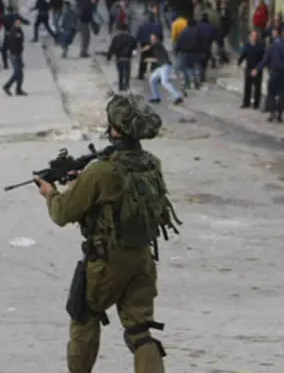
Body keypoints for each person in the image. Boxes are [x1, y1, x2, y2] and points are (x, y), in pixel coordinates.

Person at [33, 94, 180, 373]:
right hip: (142, 258)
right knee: (139, 330)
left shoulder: (102, 169)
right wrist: (81, 181)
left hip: (107, 261)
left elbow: (63, 213)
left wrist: (50, 193)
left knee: (83, 316)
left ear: (116, 129)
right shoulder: (151, 163)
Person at [252, 28, 284, 123]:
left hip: (274, 73)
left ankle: (272, 113)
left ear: (282, 35)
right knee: (282, 95)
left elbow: (265, 59)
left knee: (271, 94)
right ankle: (279, 114)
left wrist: (257, 69)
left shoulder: (273, 46)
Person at [143, 33, 183, 105]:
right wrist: (149, 59)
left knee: (164, 82)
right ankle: (156, 97)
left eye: (153, 38)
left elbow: (152, 46)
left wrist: (145, 49)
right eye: (151, 39)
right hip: (161, 66)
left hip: (166, 66)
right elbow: (158, 59)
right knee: (152, 79)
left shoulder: (158, 44)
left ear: (157, 39)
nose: (152, 40)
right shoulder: (156, 49)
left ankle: (177, 97)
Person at [106, 21, 137, 92]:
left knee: (120, 73)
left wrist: (108, 58)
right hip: (127, 58)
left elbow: (111, 48)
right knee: (127, 73)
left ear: (120, 30)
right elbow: (134, 50)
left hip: (119, 58)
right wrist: (134, 56)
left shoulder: (116, 38)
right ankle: (126, 86)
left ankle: (121, 88)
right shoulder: (132, 39)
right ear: (128, 30)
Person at [238, 30, 265, 110]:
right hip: (249, 68)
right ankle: (246, 102)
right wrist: (239, 63)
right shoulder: (247, 46)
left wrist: (258, 68)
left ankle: (256, 104)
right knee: (247, 86)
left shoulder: (260, 47)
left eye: (255, 36)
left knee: (257, 87)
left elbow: (263, 59)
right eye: (252, 36)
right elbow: (243, 55)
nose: (254, 38)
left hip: (257, 69)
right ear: (250, 37)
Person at [174, 19, 201, 91]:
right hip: (195, 53)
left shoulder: (183, 32)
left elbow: (178, 43)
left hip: (185, 53)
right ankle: (196, 83)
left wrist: (176, 51)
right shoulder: (197, 32)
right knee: (195, 68)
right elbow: (200, 43)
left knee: (186, 69)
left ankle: (187, 84)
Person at [2, 17, 27, 96]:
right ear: (14, 23)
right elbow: (12, 42)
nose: (19, 24)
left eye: (19, 22)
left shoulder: (18, 30)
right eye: (17, 22)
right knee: (18, 72)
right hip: (14, 54)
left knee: (19, 73)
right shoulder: (13, 31)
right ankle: (7, 86)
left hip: (18, 53)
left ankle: (18, 89)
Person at [196, 13, 218, 83]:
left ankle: (201, 75)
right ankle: (202, 75)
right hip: (207, 47)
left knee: (199, 62)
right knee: (205, 62)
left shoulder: (197, 26)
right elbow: (215, 37)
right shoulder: (212, 27)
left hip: (199, 47)